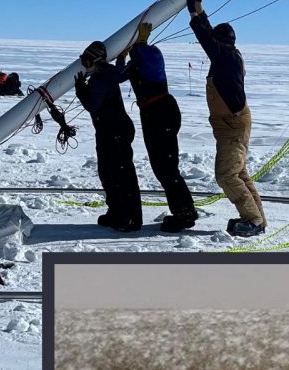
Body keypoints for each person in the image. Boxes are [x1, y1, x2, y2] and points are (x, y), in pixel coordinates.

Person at [182, 0, 267, 237]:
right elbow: (210, 35)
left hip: (232, 125)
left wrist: (193, 12)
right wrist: (198, 7)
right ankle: (257, 219)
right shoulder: (227, 55)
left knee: (226, 175)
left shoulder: (225, 58)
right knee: (238, 173)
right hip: (231, 125)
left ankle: (252, 220)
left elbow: (205, 37)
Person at [118, 22, 197, 232]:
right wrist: (122, 57)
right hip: (154, 113)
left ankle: (185, 214)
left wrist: (140, 46)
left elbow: (147, 60)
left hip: (160, 113)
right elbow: (120, 75)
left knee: (166, 167)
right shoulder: (138, 62)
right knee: (162, 166)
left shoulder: (151, 56)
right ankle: (184, 210)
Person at [74, 40, 142, 232]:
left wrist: (81, 90)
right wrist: (121, 59)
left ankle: (130, 219)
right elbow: (121, 73)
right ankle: (116, 211)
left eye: (86, 60)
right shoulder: (109, 72)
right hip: (109, 131)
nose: (84, 65)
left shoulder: (101, 78)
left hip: (114, 131)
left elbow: (92, 105)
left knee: (121, 175)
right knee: (108, 173)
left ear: (95, 61)